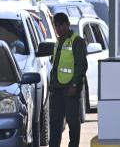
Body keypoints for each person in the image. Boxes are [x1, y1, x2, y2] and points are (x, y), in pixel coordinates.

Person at [49, 12, 88, 147]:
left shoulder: (77, 41)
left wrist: (75, 84)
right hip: (57, 89)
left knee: (73, 122)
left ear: (67, 25)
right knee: (55, 122)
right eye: (56, 26)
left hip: (70, 88)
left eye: (62, 25)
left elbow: (81, 65)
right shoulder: (58, 42)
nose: (59, 29)